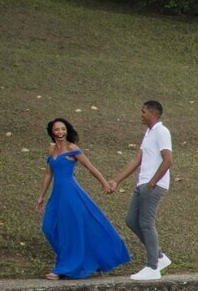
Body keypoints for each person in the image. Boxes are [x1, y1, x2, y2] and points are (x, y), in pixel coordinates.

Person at [35, 118, 131, 280]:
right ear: (52, 132)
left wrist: (104, 183)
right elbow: (48, 173)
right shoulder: (51, 151)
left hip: (70, 193)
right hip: (57, 194)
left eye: (63, 129)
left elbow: (89, 166)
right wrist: (41, 196)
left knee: (70, 229)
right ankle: (71, 259)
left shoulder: (72, 148)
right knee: (48, 227)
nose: (60, 132)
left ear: (67, 131)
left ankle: (64, 267)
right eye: (57, 130)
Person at [108, 99, 173, 280]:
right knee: (131, 220)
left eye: (143, 111)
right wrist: (116, 181)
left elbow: (168, 160)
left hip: (153, 185)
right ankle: (159, 256)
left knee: (146, 223)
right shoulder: (149, 132)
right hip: (142, 184)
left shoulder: (162, 131)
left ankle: (153, 267)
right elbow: (137, 159)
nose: (141, 114)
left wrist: (153, 182)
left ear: (153, 113)